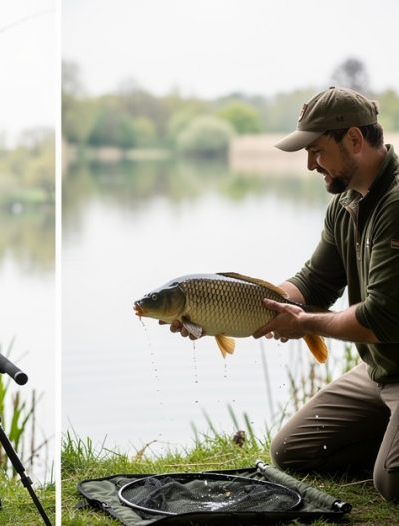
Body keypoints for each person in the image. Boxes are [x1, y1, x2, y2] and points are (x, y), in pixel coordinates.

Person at [170, 86, 399, 501]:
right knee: (291, 451)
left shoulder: (396, 204)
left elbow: (380, 317)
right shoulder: (346, 202)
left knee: (392, 483)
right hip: (380, 370)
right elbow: (314, 282)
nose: (310, 164)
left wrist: (305, 323)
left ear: (353, 139)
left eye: (316, 150)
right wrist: (237, 307)